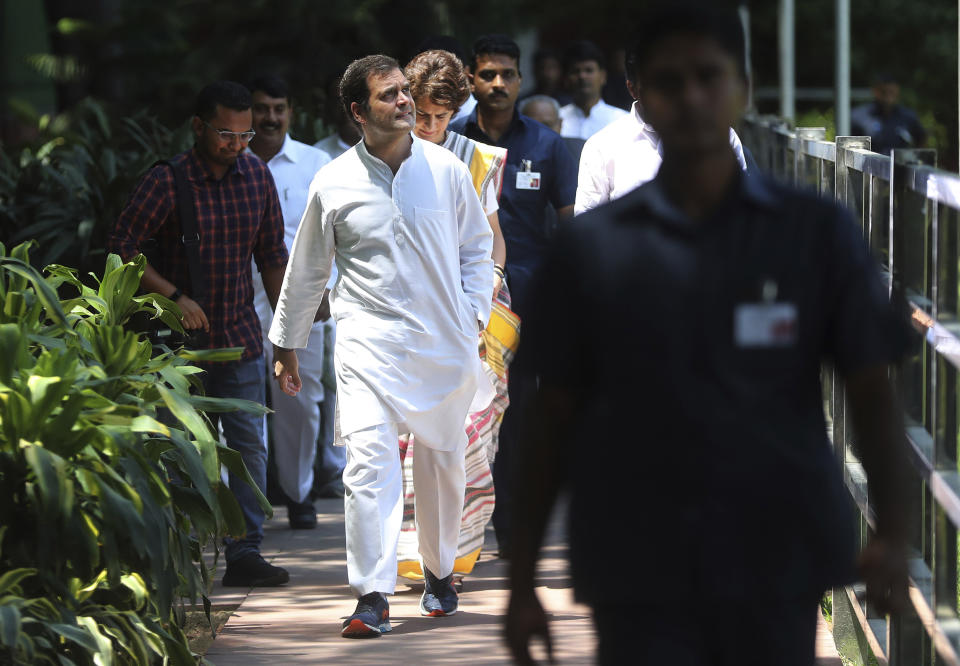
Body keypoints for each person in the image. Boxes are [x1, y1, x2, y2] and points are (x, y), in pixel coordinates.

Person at [506, 4, 910, 665]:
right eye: (670, 81)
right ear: (639, 95)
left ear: (741, 90)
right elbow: (549, 417)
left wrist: (893, 533)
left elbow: (871, 389)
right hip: (638, 556)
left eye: (708, 75)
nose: (691, 97)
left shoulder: (813, 234)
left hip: (776, 548)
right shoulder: (592, 252)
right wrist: (523, 583)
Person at [269, 54, 494, 637]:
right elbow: (308, 268)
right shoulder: (334, 179)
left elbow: (477, 248)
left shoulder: (446, 170)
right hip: (367, 344)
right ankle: (372, 593)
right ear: (357, 112)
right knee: (367, 466)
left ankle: (441, 573)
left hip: (444, 343)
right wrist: (288, 344)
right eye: (389, 95)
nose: (405, 102)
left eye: (404, 91)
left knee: (441, 465)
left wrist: (474, 312)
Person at [110, 80, 291, 587]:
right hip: (174, 348)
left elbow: (273, 256)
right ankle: (175, 555)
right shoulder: (167, 181)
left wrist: (289, 334)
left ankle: (245, 552)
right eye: (225, 135)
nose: (236, 145)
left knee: (250, 448)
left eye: (244, 135)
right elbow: (122, 246)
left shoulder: (257, 177)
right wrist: (172, 297)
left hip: (240, 338)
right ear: (198, 127)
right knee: (177, 451)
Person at [449, 34, 578, 557]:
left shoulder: (547, 146)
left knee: (519, 416)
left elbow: (570, 227)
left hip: (525, 309)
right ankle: (458, 530)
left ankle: (513, 525)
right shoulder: (451, 143)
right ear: (471, 81)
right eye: (487, 74)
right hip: (460, 305)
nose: (497, 83)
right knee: (463, 416)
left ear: (521, 81)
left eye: (506, 74)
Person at [398, 48, 515, 586]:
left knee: (469, 439)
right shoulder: (388, 155)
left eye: (441, 117)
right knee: (404, 445)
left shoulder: (476, 158)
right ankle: (409, 556)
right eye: (421, 114)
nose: (430, 126)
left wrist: (481, 296)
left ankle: (456, 557)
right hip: (406, 320)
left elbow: (494, 244)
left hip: (469, 318)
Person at [247, 74, 334, 529]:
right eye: (262, 108)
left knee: (299, 400)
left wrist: (326, 291)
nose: (271, 117)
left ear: (291, 112)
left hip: (302, 298)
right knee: (240, 399)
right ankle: (246, 500)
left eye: (279, 108)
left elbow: (336, 233)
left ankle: (300, 494)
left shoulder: (315, 163)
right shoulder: (231, 162)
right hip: (241, 296)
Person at [574, 38, 748, 215]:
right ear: (632, 89)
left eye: (673, 82)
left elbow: (741, 212)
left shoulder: (722, 138)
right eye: (656, 85)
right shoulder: (601, 147)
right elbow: (586, 226)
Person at [557, 40, 627, 140]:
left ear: (603, 76)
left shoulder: (621, 121)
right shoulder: (556, 119)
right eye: (576, 71)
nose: (582, 76)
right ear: (566, 79)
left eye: (589, 70)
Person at [851, 73, 927, 156]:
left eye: (891, 92)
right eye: (884, 92)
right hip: (868, 166)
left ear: (897, 91)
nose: (888, 98)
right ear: (876, 91)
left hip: (899, 167)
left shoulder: (908, 117)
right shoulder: (859, 116)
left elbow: (921, 139)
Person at [519, 94, 585, 163]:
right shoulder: (511, 152)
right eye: (533, 126)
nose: (540, 133)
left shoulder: (579, 150)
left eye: (547, 126)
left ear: (560, 124)